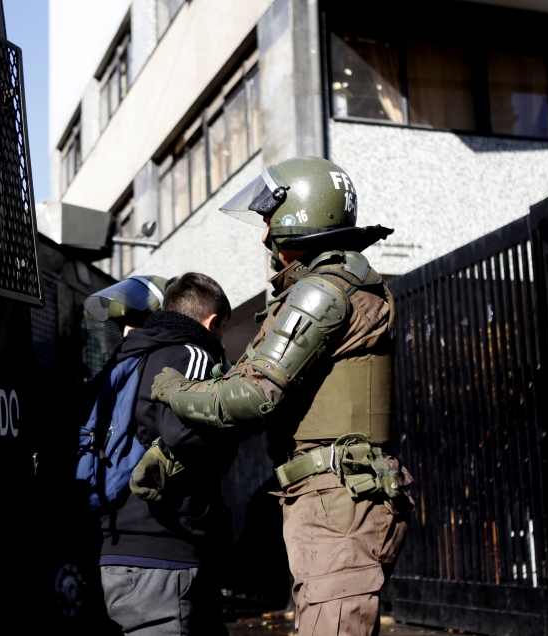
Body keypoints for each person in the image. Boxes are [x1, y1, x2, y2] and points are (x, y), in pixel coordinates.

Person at [148, 157, 414, 636]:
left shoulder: (323, 292)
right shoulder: (336, 285)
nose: (264, 237)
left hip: (338, 502)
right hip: (337, 499)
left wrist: (173, 389)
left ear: (299, 215)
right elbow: (255, 406)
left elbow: (251, 397)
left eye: (269, 220)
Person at [99, 272, 236, 636]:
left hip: (117, 550)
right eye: (222, 329)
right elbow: (184, 432)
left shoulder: (121, 362)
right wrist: (237, 430)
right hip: (166, 551)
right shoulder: (192, 352)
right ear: (212, 322)